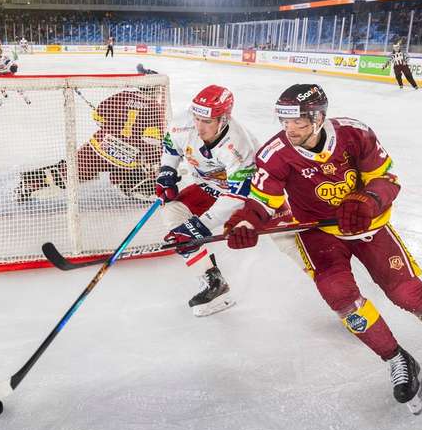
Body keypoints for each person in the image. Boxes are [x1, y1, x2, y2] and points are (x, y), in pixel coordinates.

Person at [224, 83, 422, 414]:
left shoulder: (354, 134)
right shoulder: (276, 153)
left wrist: (367, 200)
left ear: (318, 118)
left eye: (298, 122)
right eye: (285, 122)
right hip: (319, 235)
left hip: (367, 226)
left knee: (409, 294)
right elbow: (262, 202)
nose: (290, 130)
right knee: (342, 299)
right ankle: (398, 359)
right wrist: (246, 222)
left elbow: (387, 179)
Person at [156, 85, 289, 317]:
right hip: (210, 186)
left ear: (224, 118)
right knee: (173, 212)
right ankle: (213, 282)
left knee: (287, 238)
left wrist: (200, 225)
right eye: (196, 118)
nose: (199, 127)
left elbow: (238, 195)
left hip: (253, 196)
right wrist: (167, 171)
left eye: (207, 121)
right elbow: (171, 147)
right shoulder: (183, 121)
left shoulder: (239, 145)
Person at [15, 81, 164, 203]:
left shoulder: (124, 95)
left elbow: (98, 116)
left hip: (100, 148)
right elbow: (152, 141)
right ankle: (128, 186)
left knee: (70, 172)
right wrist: (154, 163)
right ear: (154, 90)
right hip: (126, 159)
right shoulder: (155, 108)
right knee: (134, 169)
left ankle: (29, 184)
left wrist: (111, 124)